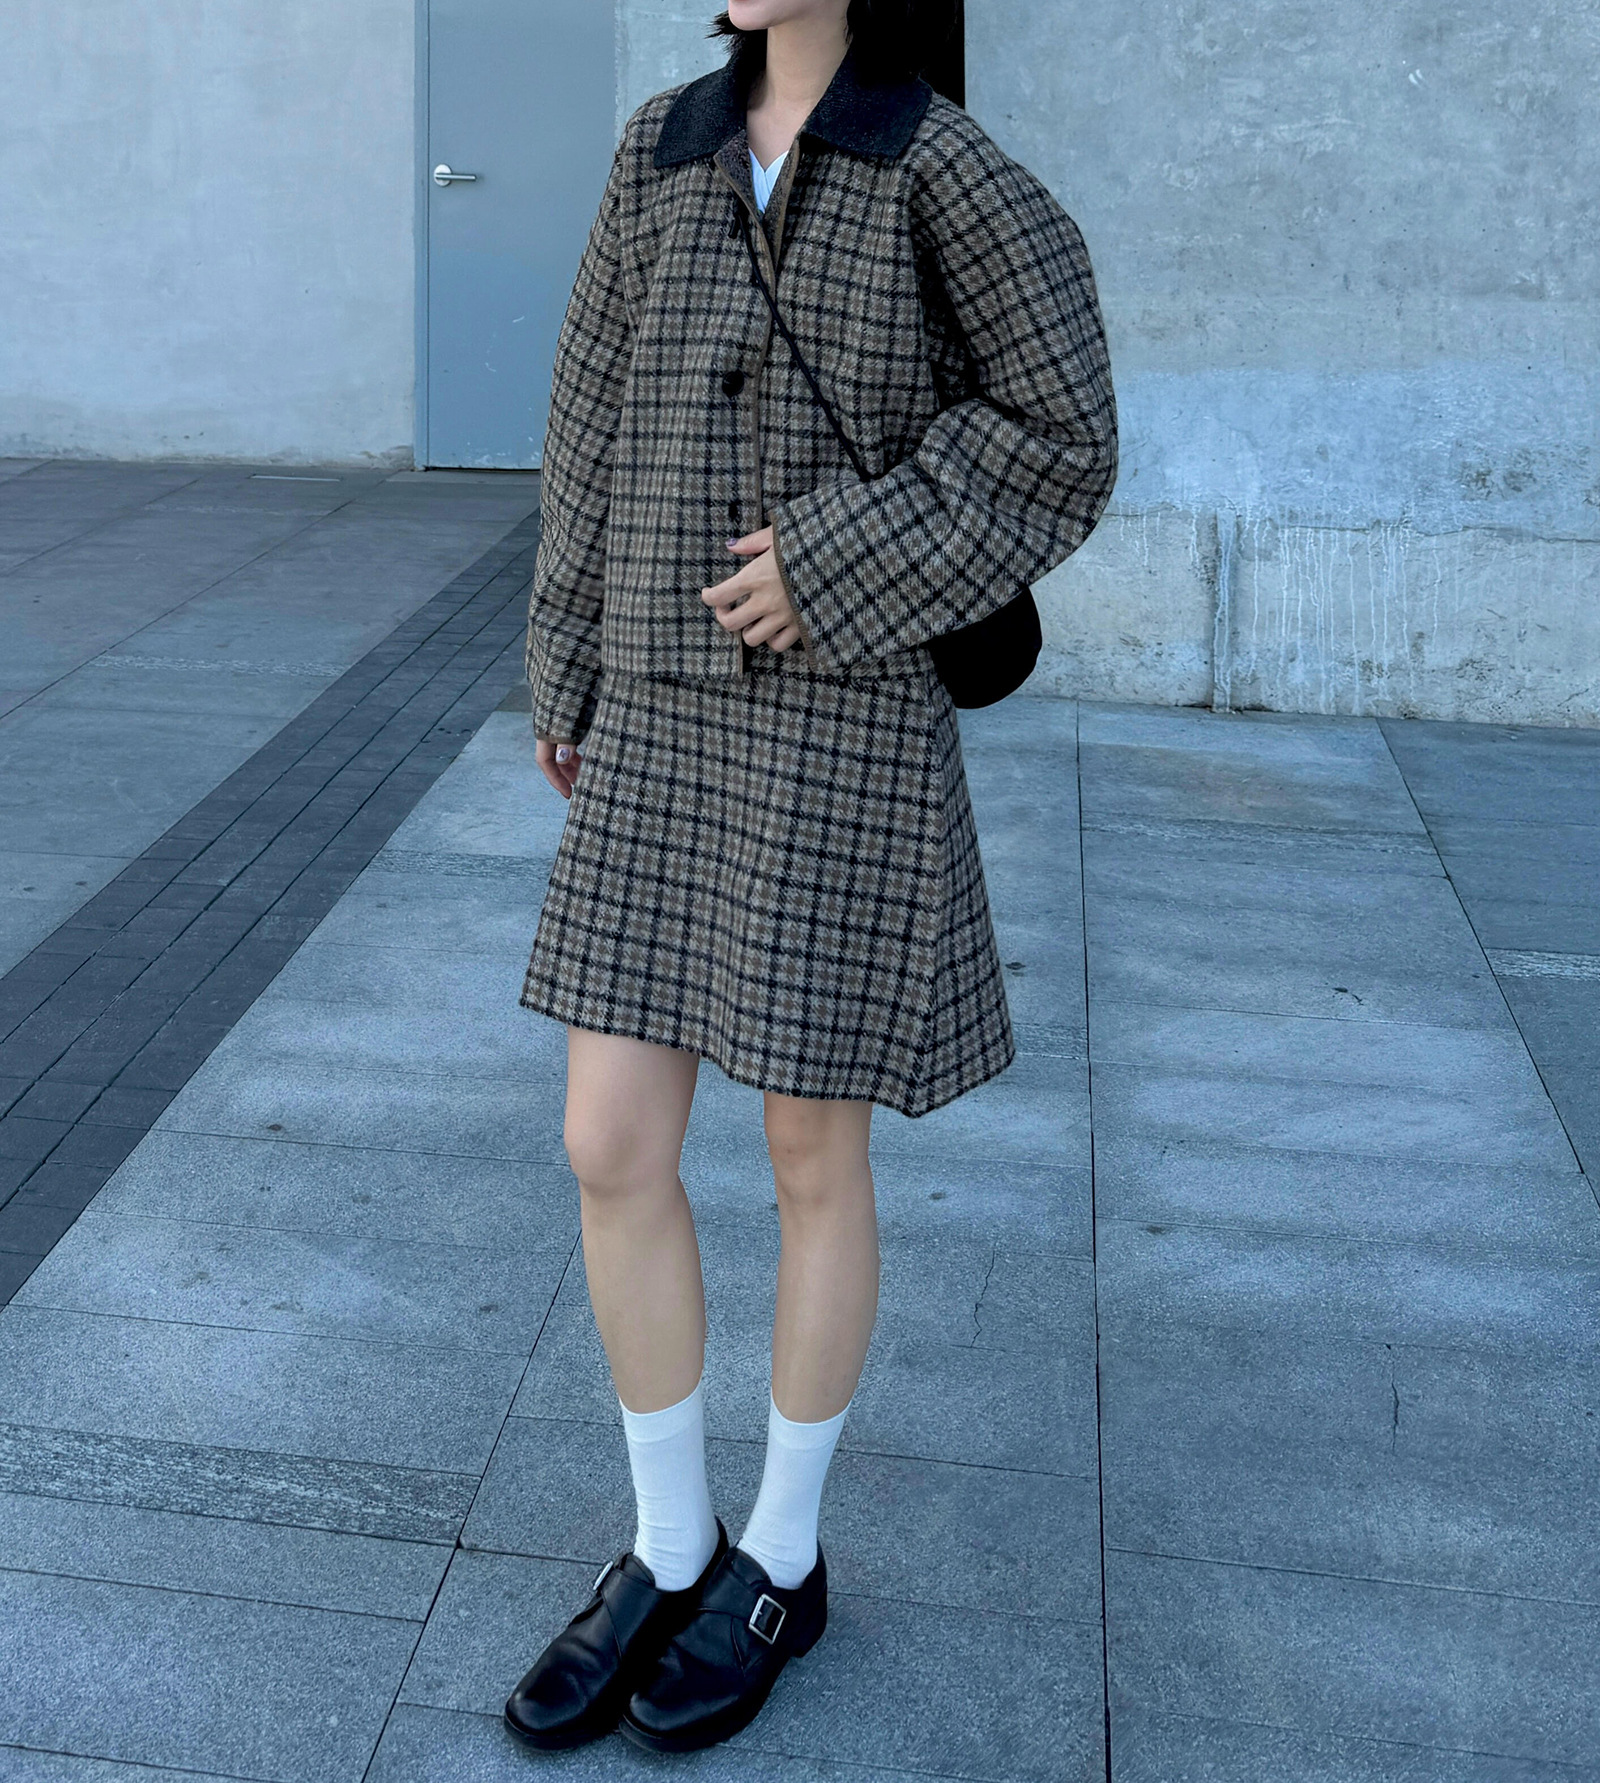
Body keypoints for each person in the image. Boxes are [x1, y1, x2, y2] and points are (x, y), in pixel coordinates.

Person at [503, 0, 1116, 1755]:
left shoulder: (943, 165)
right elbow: (588, 419)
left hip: (838, 724)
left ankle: (780, 1554)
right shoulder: (660, 146)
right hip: (659, 714)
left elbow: (1064, 432)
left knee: (806, 1150)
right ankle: (667, 1542)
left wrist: (838, 558)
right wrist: (566, 666)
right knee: (608, 1141)